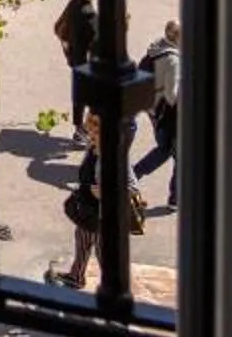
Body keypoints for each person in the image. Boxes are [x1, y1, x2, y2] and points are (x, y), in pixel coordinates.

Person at [56, 114, 146, 289]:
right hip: (88, 208)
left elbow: (132, 187)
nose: (90, 136)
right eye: (89, 132)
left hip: (104, 213)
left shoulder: (116, 157)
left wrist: (107, 193)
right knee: (82, 240)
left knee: (102, 250)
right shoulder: (93, 148)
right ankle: (76, 276)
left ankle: (114, 287)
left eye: (94, 133)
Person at [135, 20, 181, 209]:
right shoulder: (173, 60)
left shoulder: (157, 47)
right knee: (178, 153)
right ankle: (175, 198)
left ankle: (132, 175)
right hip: (167, 114)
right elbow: (172, 96)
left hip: (151, 108)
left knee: (166, 149)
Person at [53, 0, 98, 134]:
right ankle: (84, 129)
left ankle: (80, 127)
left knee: (80, 94)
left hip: (74, 57)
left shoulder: (73, 4)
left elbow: (58, 26)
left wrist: (67, 46)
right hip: (87, 62)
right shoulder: (90, 15)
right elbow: (97, 42)